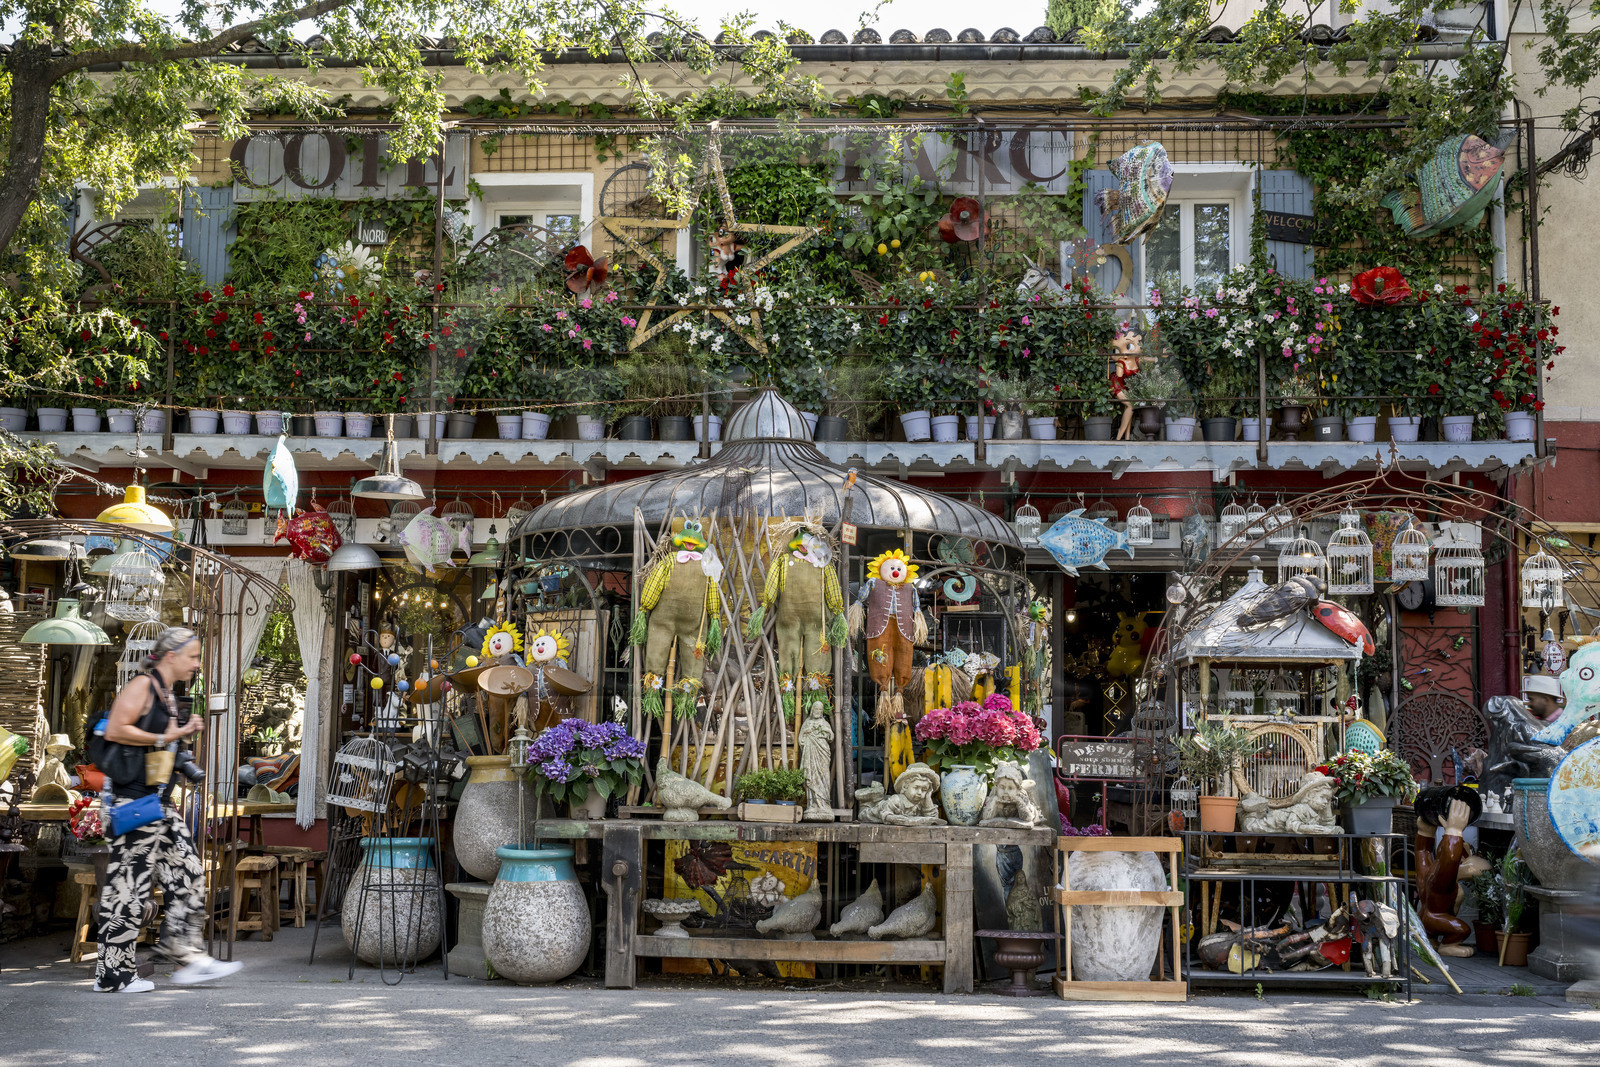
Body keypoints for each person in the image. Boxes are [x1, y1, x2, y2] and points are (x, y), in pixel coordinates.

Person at [95, 626, 242, 993]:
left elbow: (160, 747)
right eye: (192, 657)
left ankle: (186, 955)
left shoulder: (168, 695)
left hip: (157, 803)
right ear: (171, 656)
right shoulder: (142, 686)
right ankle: (113, 976)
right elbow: (115, 730)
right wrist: (168, 735)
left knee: (189, 872)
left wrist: (180, 740)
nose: (197, 664)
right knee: (128, 888)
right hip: (132, 804)